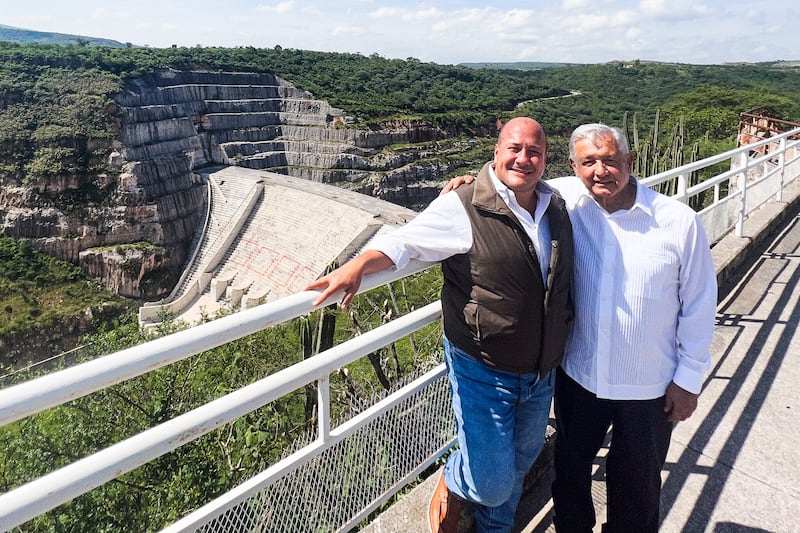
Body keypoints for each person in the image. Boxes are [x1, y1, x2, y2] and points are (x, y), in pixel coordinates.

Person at [305, 117, 574, 533]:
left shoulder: (555, 202)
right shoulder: (462, 205)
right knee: (490, 481)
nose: (524, 159)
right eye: (514, 149)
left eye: (534, 152)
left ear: (545, 159)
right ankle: (454, 476)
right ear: (497, 152)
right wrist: (359, 263)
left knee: (523, 459)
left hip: (540, 370)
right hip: (483, 366)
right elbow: (405, 241)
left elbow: (602, 187)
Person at [445, 123, 717, 532]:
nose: (600, 171)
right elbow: (511, 177)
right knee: (570, 475)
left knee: (637, 486)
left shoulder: (678, 221)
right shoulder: (564, 202)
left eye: (610, 160)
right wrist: (469, 184)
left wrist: (689, 379)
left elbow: (699, 305)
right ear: (574, 166)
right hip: (579, 378)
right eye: (589, 162)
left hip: (648, 386)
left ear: (629, 161)